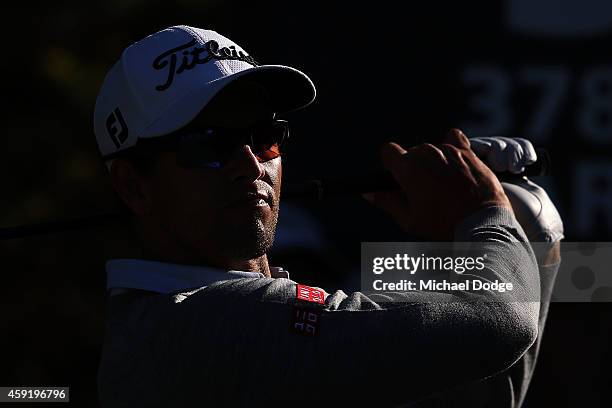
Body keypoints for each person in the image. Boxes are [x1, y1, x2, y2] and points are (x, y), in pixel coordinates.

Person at [94, 25, 563, 407]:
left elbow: (477, 385)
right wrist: (486, 214)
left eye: (264, 136)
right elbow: (498, 325)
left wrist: (521, 243)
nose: (251, 165)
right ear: (134, 185)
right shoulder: (198, 324)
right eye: (208, 146)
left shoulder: (219, 318)